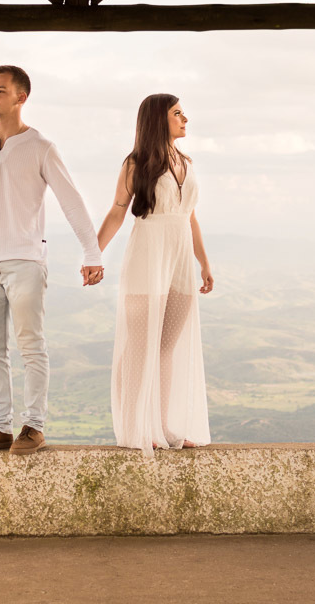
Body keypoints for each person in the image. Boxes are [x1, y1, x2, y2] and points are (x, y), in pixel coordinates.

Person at [0, 65, 104, 456]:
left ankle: (33, 426)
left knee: (31, 347)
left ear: (21, 97)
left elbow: (70, 199)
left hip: (25, 261)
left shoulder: (41, 147)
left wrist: (92, 252)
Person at [96, 94, 213, 457]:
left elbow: (189, 215)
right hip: (148, 255)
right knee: (139, 346)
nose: (185, 119)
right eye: (178, 113)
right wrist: (92, 253)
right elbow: (118, 210)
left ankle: (162, 427)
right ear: (157, 119)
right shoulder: (136, 162)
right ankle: (136, 428)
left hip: (179, 259)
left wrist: (204, 263)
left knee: (166, 348)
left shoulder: (186, 162)